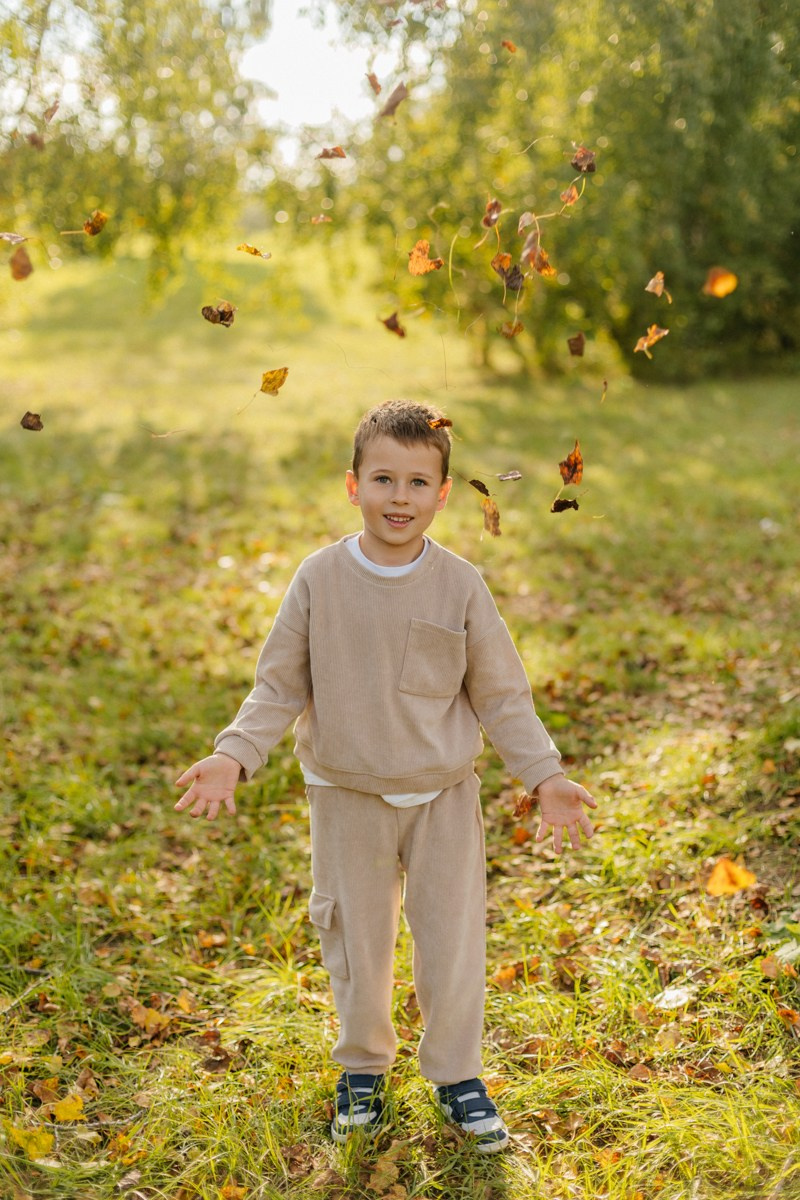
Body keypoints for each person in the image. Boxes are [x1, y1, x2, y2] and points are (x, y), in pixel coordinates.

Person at [174, 399, 596, 1153]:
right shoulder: (319, 579)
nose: (399, 497)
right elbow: (279, 685)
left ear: (443, 493)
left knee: (452, 941)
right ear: (353, 485)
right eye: (382, 480)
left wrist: (545, 776)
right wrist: (234, 753)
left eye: (416, 483)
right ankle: (363, 1068)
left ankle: (458, 1075)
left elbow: (502, 696)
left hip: (443, 796)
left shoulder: (460, 585)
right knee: (356, 942)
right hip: (347, 796)